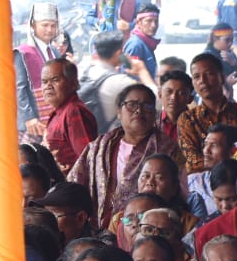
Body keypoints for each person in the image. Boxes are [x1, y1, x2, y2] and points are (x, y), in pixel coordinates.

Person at [68, 83, 173, 223]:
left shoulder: (168, 148)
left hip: (145, 225)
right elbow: (75, 183)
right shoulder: (100, 147)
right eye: (131, 105)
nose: (139, 110)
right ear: (118, 112)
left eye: (147, 105)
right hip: (98, 226)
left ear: (154, 113)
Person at [177, 52, 237, 175]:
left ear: (222, 77)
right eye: (196, 76)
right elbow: (192, 161)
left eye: (209, 74)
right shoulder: (188, 119)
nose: (202, 81)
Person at [40, 59, 97, 175]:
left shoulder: (73, 111)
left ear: (73, 83)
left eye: (55, 80)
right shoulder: (60, 111)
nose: (48, 86)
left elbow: (86, 159)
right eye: (44, 82)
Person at [77, 30, 132, 135]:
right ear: (118, 53)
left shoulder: (82, 72)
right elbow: (155, 102)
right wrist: (143, 73)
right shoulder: (121, 82)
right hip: (108, 140)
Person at [122, 4, 160, 79]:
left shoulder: (146, 42)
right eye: (149, 21)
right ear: (138, 22)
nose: (153, 25)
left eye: (156, 21)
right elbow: (130, 75)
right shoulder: (135, 45)